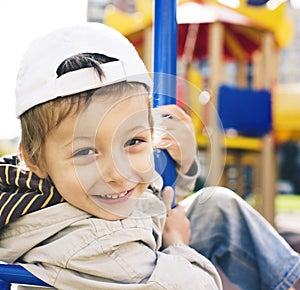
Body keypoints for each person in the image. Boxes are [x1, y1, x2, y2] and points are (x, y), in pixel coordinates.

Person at [0, 22, 298, 290]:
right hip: (151, 270)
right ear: (35, 160)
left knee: (217, 206)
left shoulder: (63, 188)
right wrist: (178, 243)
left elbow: (155, 197)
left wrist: (184, 164)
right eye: (86, 151)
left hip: (144, 244)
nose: (119, 173)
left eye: (133, 141)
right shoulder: (96, 246)